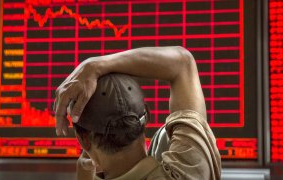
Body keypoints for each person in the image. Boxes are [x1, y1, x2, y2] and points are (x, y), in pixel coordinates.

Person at [54, 46, 221, 179]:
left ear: (82, 140)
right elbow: (183, 63)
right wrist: (95, 65)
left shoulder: (86, 173)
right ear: (146, 115)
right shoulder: (190, 170)